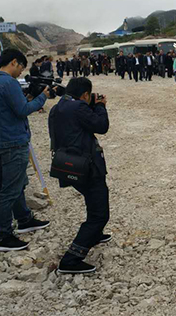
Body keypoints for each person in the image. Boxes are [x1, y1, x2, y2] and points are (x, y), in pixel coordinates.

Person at [0, 49, 51, 252]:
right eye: (21, 67)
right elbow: (22, 110)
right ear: (14, 62)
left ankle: (24, 219)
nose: (21, 72)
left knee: (16, 184)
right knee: (10, 190)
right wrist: (43, 97)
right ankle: (4, 236)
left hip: (1, 141)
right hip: (13, 142)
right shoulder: (9, 83)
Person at [49, 77, 110, 274]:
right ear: (84, 95)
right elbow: (101, 126)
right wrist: (100, 106)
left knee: (92, 200)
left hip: (68, 164)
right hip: (86, 166)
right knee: (100, 213)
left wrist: (90, 105)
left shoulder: (59, 107)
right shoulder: (78, 108)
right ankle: (72, 259)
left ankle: (95, 235)